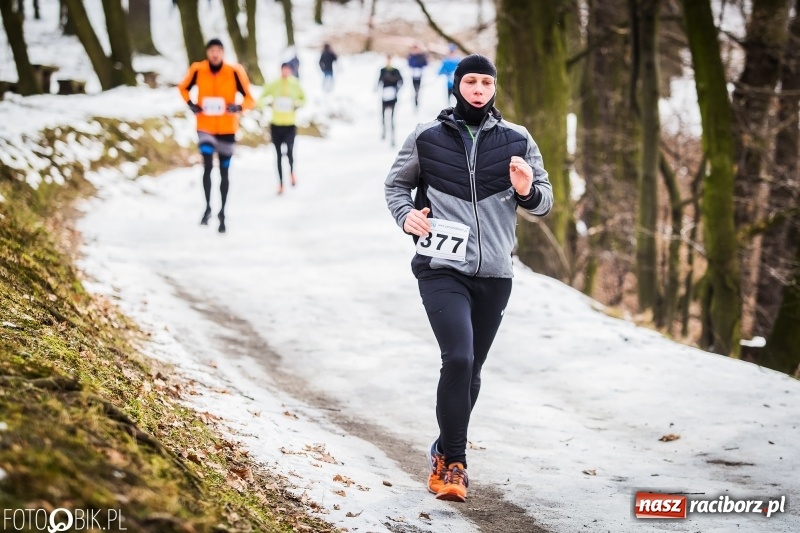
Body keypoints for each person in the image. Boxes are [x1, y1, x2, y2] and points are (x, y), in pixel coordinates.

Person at [384, 54, 553, 503]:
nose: (478, 88)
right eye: (471, 81)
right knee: (457, 358)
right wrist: (406, 217)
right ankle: (454, 465)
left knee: (472, 369)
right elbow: (396, 186)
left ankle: (442, 446)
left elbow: (544, 202)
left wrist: (525, 189)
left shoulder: (518, 139)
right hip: (441, 269)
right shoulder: (427, 136)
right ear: (457, 85)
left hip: (495, 273)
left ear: (494, 88)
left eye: (486, 82)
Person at [179, 38, 255, 233]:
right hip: (205, 126)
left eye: (218, 50)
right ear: (207, 52)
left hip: (227, 129)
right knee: (207, 167)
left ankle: (222, 213)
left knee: (224, 172)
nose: (215, 54)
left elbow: (250, 99)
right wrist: (191, 104)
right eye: (211, 50)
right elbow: (183, 88)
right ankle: (207, 208)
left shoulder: (234, 72)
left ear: (223, 53)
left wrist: (238, 107)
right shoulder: (198, 69)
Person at [259, 63, 306, 194]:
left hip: (290, 125)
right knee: (278, 155)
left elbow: (304, 99)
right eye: (283, 69)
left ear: (290, 71)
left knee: (290, 151)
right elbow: (261, 98)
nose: (285, 72)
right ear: (280, 70)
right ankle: (280, 183)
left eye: (288, 70)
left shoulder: (295, 84)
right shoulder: (274, 84)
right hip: (276, 124)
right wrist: (268, 104)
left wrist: (297, 104)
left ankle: (291, 172)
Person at [377, 55, 403, 147]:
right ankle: (384, 131)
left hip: (392, 95)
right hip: (385, 95)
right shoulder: (382, 70)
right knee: (383, 115)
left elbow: (401, 81)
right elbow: (379, 80)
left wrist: (396, 89)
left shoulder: (395, 70)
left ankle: (392, 138)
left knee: (392, 117)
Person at [407, 44, 428, 108]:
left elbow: (425, 63)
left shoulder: (421, 56)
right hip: (413, 74)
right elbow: (409, 64)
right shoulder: (411, 56)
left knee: (418, 88)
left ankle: (418, 99)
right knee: (415, 88)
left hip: (420, 74)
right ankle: (415, 99)